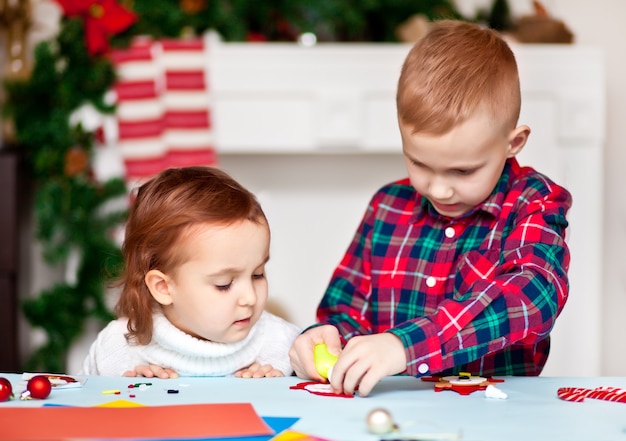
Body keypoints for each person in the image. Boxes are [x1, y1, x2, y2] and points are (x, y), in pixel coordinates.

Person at [289, 20, 572, 397]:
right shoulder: (387, 205)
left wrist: (405, 345)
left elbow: (532, 297)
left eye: (463, 170)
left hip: (496, 415)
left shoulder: (533, 201)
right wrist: (320, 340)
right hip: (390, 407)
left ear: (513, 142)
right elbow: (343, 313)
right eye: (419, 163)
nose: (438, 188)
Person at [80, 166, 300, 378]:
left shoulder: (281, 343)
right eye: (224, 284)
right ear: (163, 287)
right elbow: (78, 404)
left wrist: (282, 379)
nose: (250, 298)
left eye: (257, 274)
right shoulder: (119, 347)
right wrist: (132, 390)